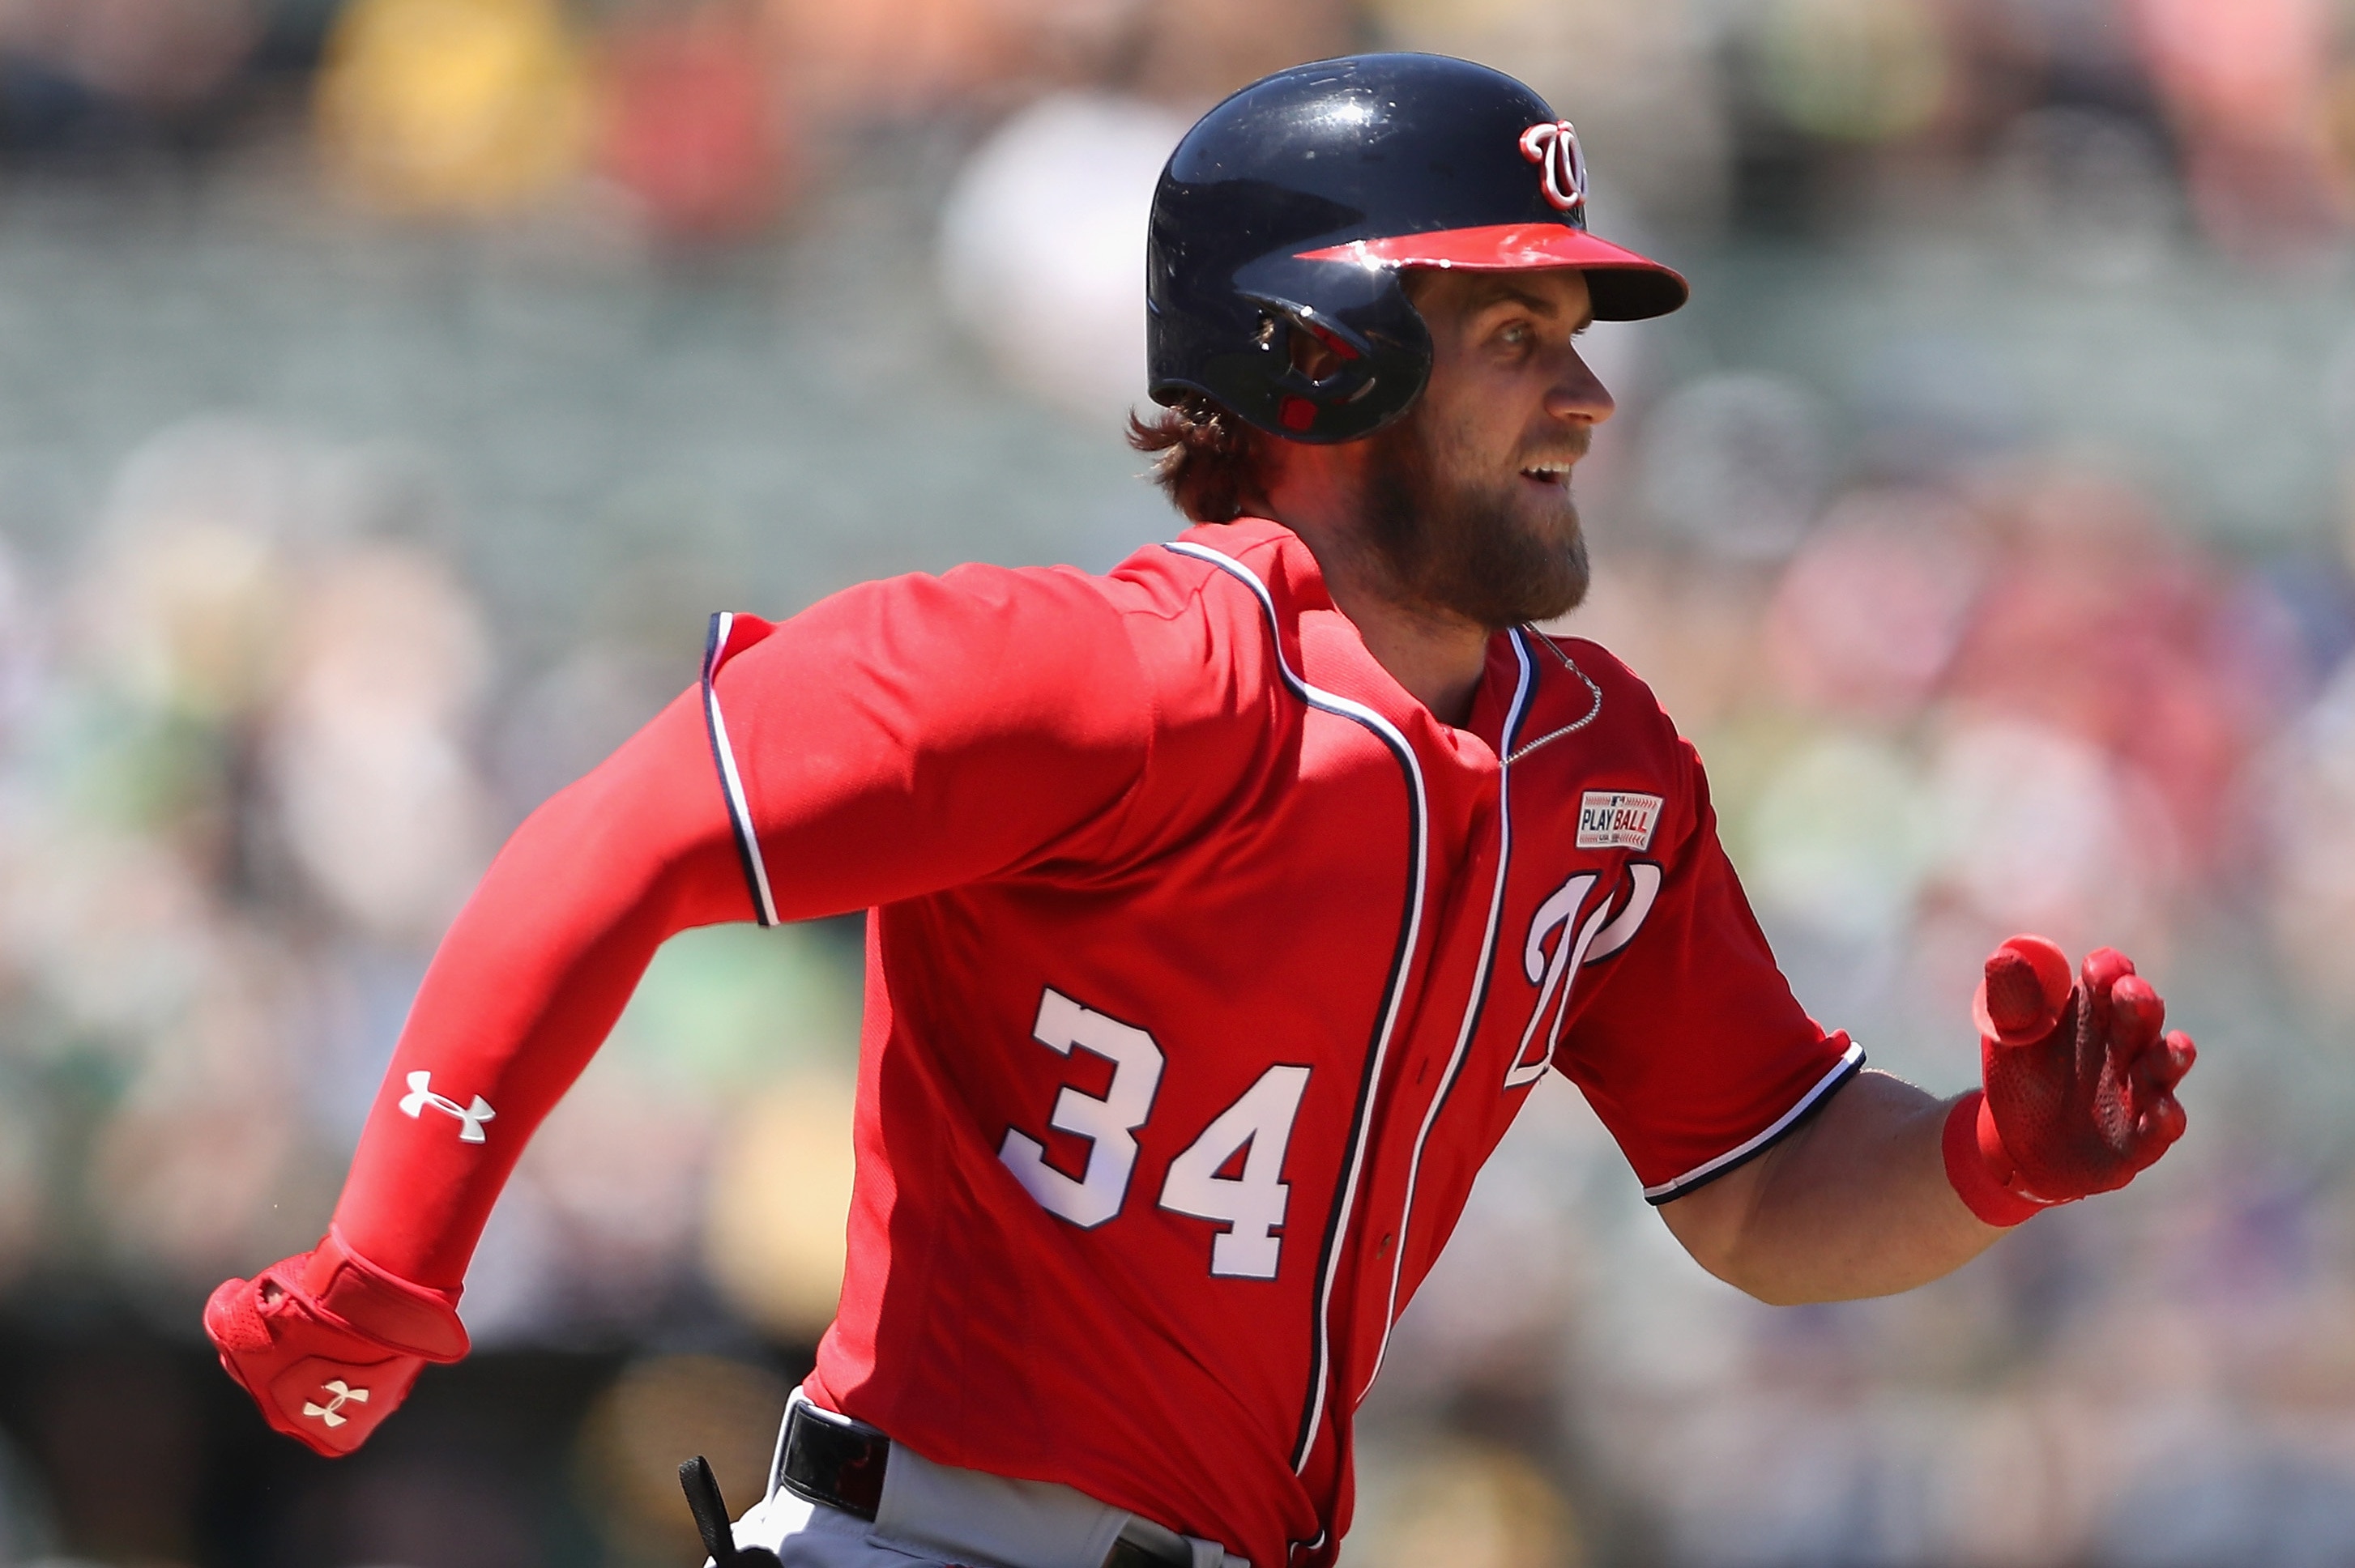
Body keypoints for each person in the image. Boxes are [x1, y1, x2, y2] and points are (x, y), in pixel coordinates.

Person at [202, 53, 2195, 1568]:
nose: (1584, 400)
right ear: (1310, 356)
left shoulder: (1605, 769)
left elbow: (1761, 1187)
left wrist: (1991, 1157)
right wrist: (398, 1243)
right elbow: (613, 843)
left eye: (1575, 344)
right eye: (1511, 337)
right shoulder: (1096, 674)